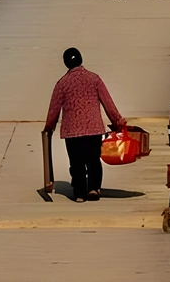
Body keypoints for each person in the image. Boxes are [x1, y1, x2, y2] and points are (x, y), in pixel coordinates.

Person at [43, 48, 127, 202]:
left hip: (72, 130)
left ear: (66, 62)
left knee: (76, 162)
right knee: (93, 160)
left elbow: (54, 108)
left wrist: (49, 127)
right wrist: (118, 121)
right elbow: (108, 102)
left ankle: (80, 193)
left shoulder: (62, 83)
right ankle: (94, 188)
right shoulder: (94, 79)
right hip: (93, 128)